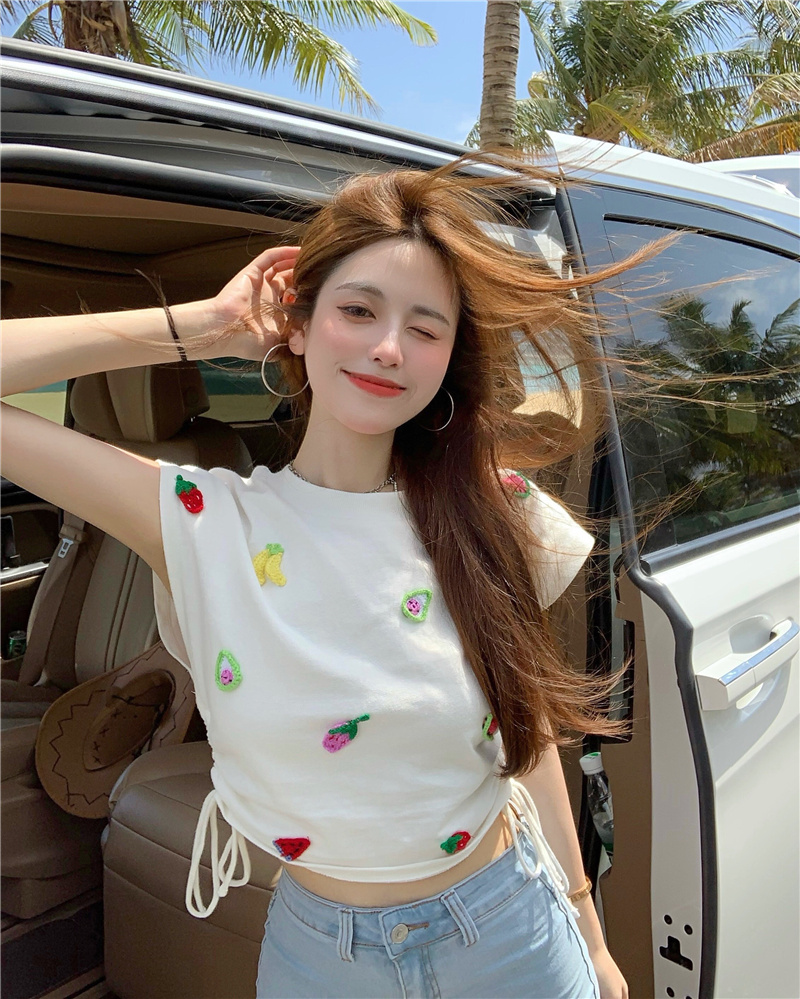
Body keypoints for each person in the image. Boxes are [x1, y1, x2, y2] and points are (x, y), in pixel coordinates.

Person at [1, 153, 645, 999]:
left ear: (448, 357)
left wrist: (590, 933)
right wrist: (203, 325)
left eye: (426, 328)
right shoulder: (201, 519)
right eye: (358, 309)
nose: (389, 347)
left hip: (511, 930)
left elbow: (527, 738)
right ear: (298, 326)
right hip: (320, 956)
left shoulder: (494, 511)